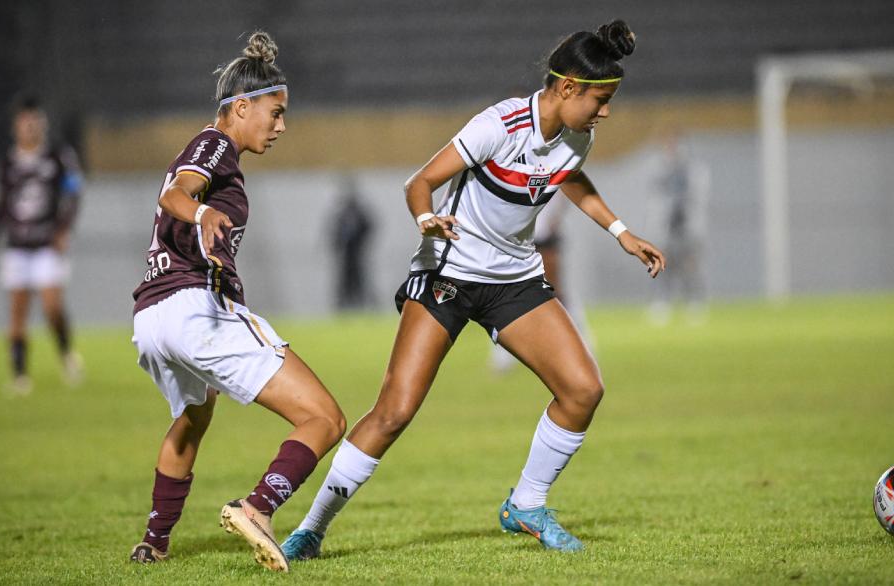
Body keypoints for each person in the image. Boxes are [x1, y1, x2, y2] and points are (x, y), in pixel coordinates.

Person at [281, 20, 665, 559]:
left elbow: (569, 175)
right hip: (450, 275)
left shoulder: (579, 136)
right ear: (569, 88)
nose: (605, 112)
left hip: (514, 280)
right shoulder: (499, 125)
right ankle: (311, 529)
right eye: (600, 100)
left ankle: (527, 504)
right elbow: (420, 182)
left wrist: (621, 232)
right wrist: (424, 220)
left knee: (583, 390)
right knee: (395, 410)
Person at [127, 32, 346, 572]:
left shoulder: (219, 154)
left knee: (193, 418)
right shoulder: (215, 143)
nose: (281, 125)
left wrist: (215, 249)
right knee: (324, 418)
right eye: (274, 112)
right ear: (241, 107)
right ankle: (259, 507)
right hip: (190, 308)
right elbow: (175, 194)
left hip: (152, 318)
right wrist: (201, 215)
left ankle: (154, 542)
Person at [0, 95, 84, 395]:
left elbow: (74, 196)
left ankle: (66, 354)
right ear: (16, 127)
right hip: (16, 248)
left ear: (42, 124)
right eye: (24, 121)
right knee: (17, 313)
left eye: (34, 120)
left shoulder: (58, 157)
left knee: (52, 307)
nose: (30, 126)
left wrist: (64, 230)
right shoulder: (5, 164)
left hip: (46, 246)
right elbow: (0, 208)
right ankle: (20, 376)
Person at [489, 194, 594, 372]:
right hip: (516, 236)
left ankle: (582, 341)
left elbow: (565, 190)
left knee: (555, 290)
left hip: (543, 234)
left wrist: (554, 221)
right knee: (508, 291)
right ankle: (504, 350)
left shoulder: (552, 169)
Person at [642, 126, 709, 325]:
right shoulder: (660, 168)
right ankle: (662, 303)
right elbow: (655, 197)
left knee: (690, 266)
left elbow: (698, 196)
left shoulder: (693, 170)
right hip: (667, 228)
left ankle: (695, 303)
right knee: (663, 265)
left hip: (687, 228)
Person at [328, 178, 375, 310]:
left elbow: (369, 226)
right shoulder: (342, 214)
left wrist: (360, 241)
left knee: (359, 280)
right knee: (344, 281)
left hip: (356, 253)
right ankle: (343, 305)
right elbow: (335, 232)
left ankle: (362, 305)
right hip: (346, 254)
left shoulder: (359, 213)